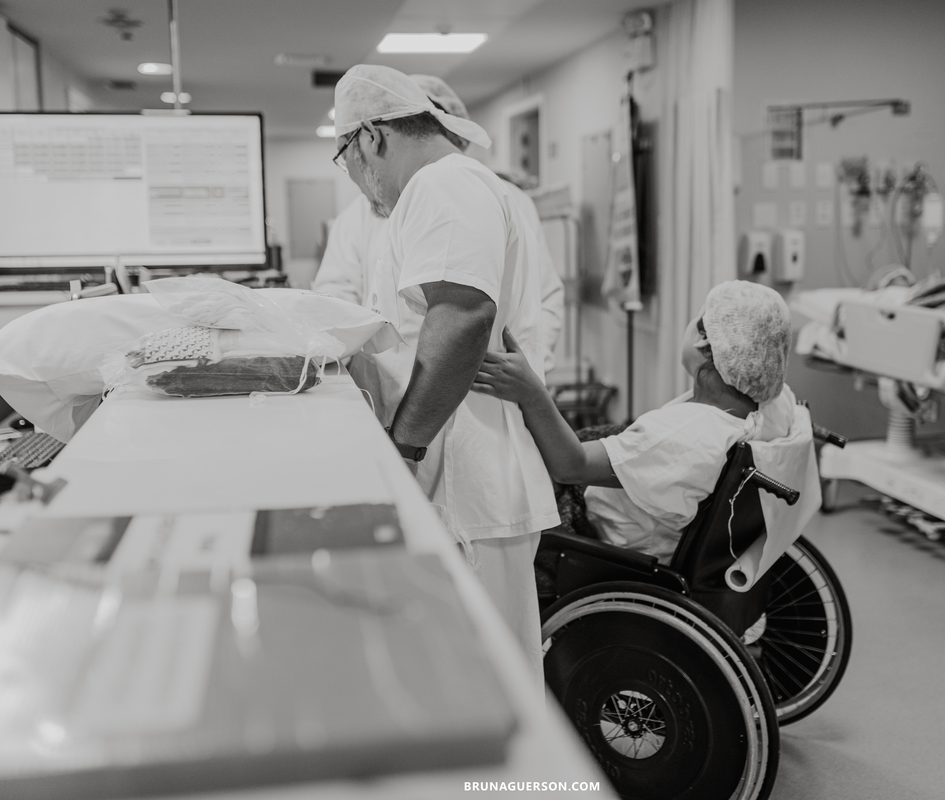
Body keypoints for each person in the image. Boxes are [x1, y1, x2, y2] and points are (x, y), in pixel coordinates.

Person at [332, 65, 559, 674]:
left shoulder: (444, 187)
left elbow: (461, 315)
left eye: (345, 158)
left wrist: (402, 449)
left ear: (372, 137)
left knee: (488, 685)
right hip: (456, 475)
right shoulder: (439, 190)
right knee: (465, 678)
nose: (355, 180)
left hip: (465, 485)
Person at [472, 280, 802, 560]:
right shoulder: (775, 405)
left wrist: (531, 392)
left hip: (605, 540)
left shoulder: (681, 437)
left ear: (704, 343)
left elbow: (571, 466)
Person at [314, 74, 566, 372]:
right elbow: (338, 293)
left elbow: (463, 324)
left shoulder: (452, 187)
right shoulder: (371, 208)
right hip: (404, 394)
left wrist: (525, 372)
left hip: (456, 401)